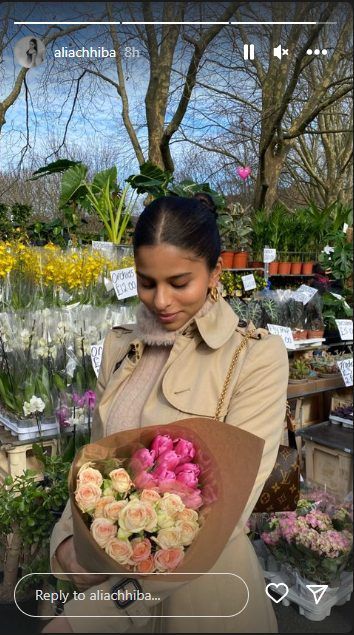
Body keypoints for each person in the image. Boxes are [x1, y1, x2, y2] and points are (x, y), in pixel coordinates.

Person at [43, 193, 288, 633]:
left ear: (215, 272)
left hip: (203, 600)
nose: (160, 301)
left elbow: (224, 515)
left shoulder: (255, 358)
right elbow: (94, 464)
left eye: (179, 282)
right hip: (105, 577)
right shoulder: (120, 347)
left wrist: (97, 613)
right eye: (147, 282)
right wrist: (65, 543)